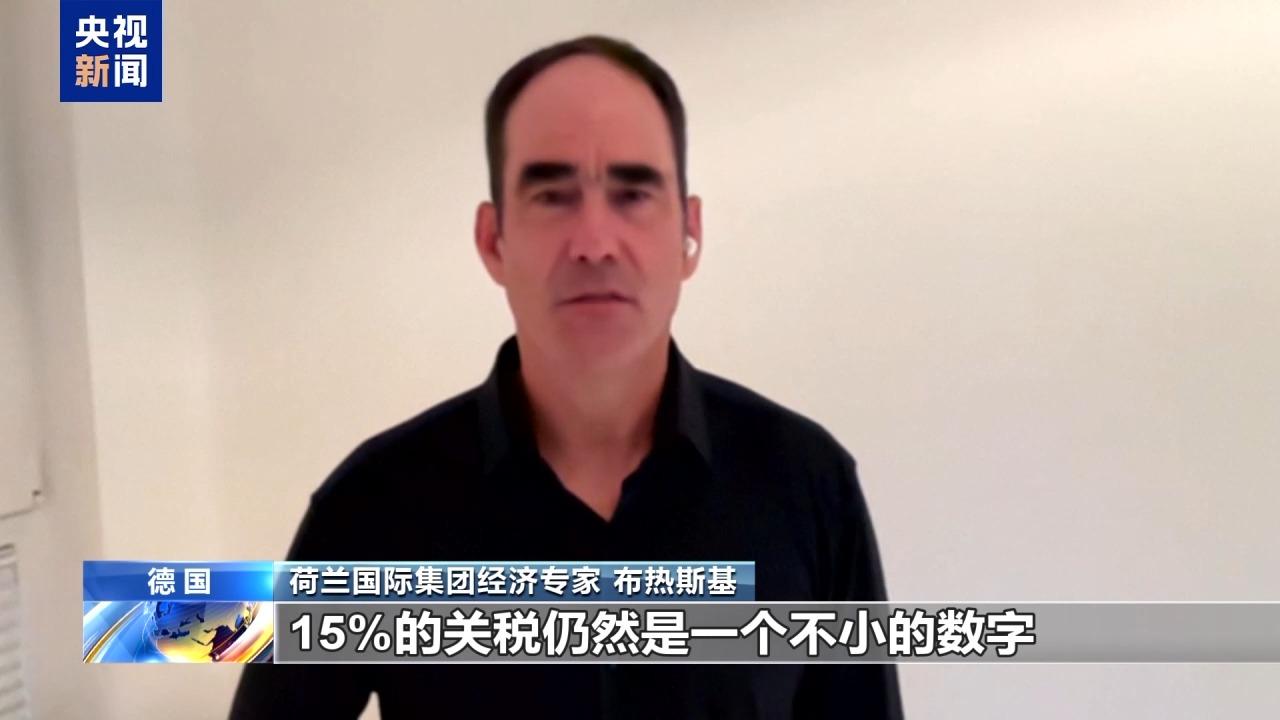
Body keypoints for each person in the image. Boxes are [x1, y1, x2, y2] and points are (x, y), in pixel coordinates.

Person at [230, 35, 903, 719]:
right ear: (493, 241)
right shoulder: (371, 506)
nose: (595, 243)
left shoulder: (809, 486)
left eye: (633, 194)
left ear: (689, 233)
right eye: (553, 196)